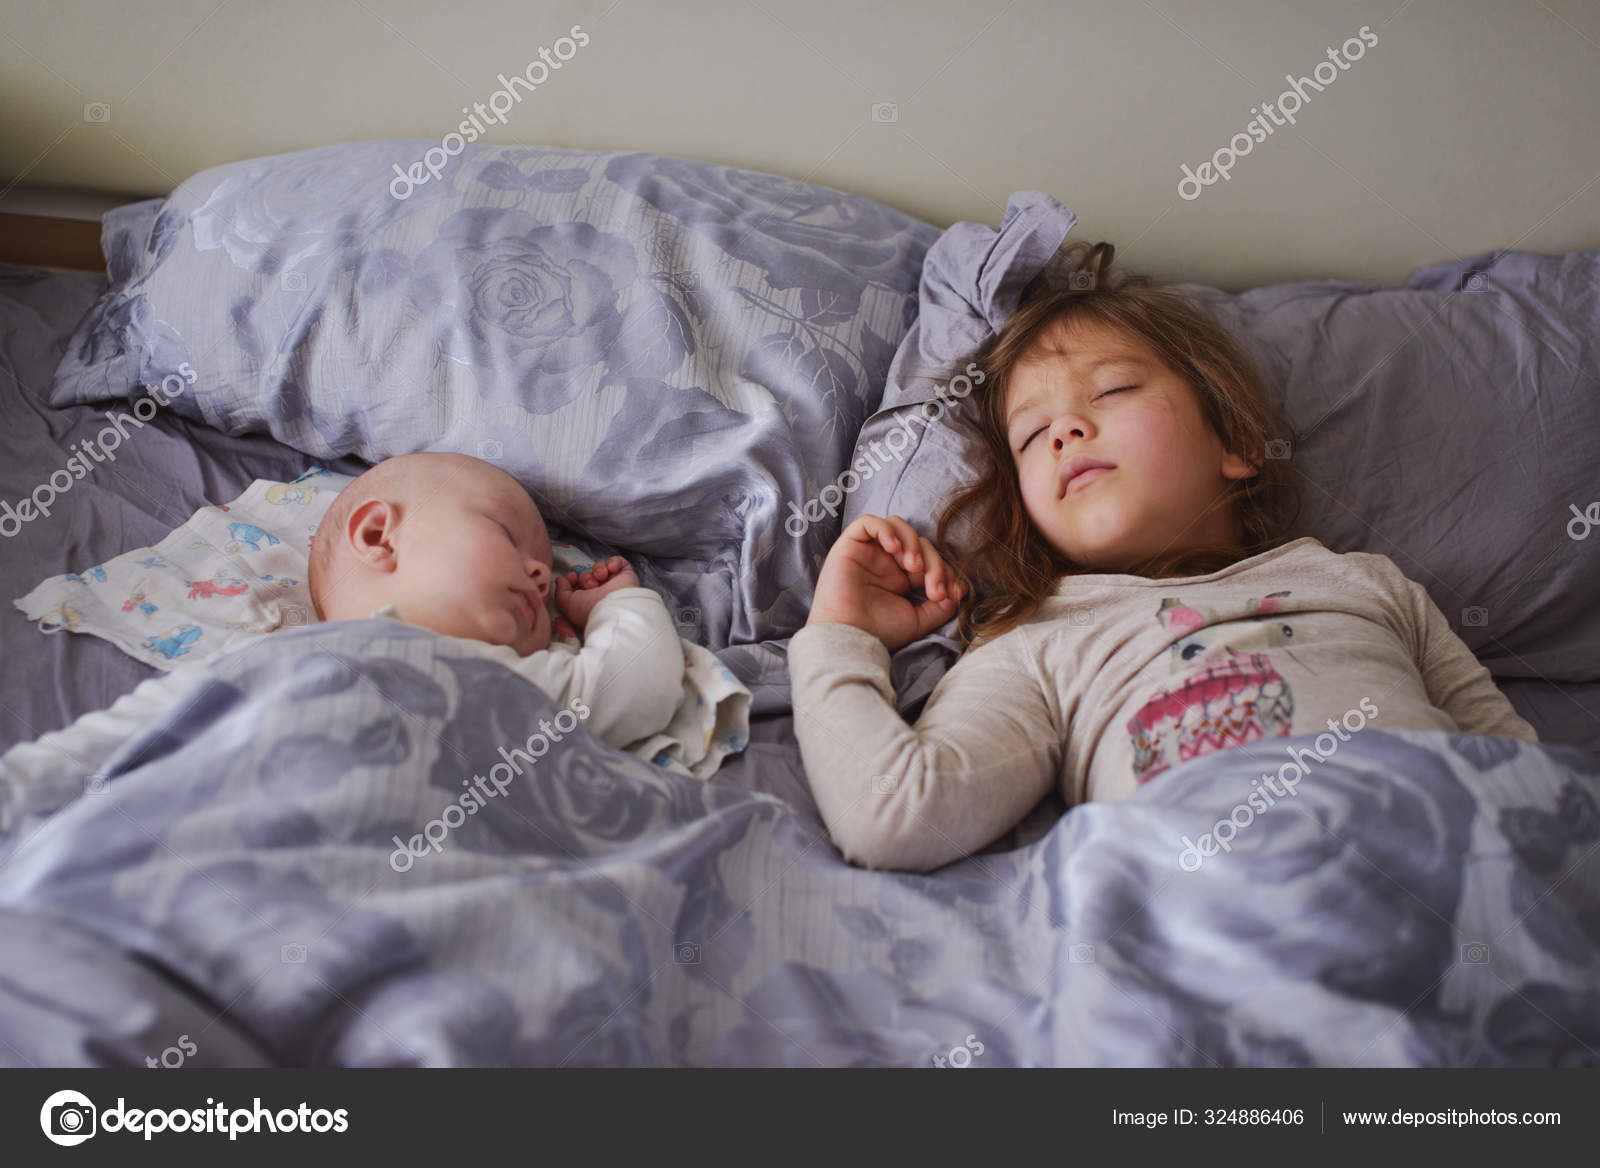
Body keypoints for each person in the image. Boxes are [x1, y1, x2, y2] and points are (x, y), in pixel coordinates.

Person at [787, 240, 1538, 873]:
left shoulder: (1366, 584)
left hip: (1449, 859)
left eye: (1110, 390)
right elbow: (894, 814)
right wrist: (839, 634)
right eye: (1029, 435)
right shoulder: (1033, 642)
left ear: (1238, 443)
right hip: (1223, 901)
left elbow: (1519, 774)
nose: (1064, 431)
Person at [0, 453, 686, 811]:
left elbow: (635, 686)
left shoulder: (510, 679)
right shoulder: (267, 657)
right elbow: (115, 745)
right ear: (377, 533)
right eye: (510, 537)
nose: (542, 572)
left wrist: (618, 607)